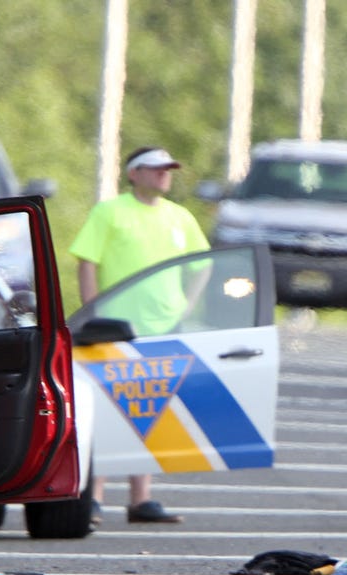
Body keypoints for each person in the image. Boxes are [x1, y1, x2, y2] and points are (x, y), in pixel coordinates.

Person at [70, 146, 210, 524]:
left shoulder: (179, 217)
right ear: (134, 173)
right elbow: (87, 261)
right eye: (156, 169)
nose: (164, 175)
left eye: (168, 169)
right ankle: (94, 496)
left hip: (163, 327)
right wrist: (91, 310)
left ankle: (141, 497)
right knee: (106, 410)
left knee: (151, 411)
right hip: (115, 327)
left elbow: (203, 264)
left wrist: (187, 305)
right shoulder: (110, 212)